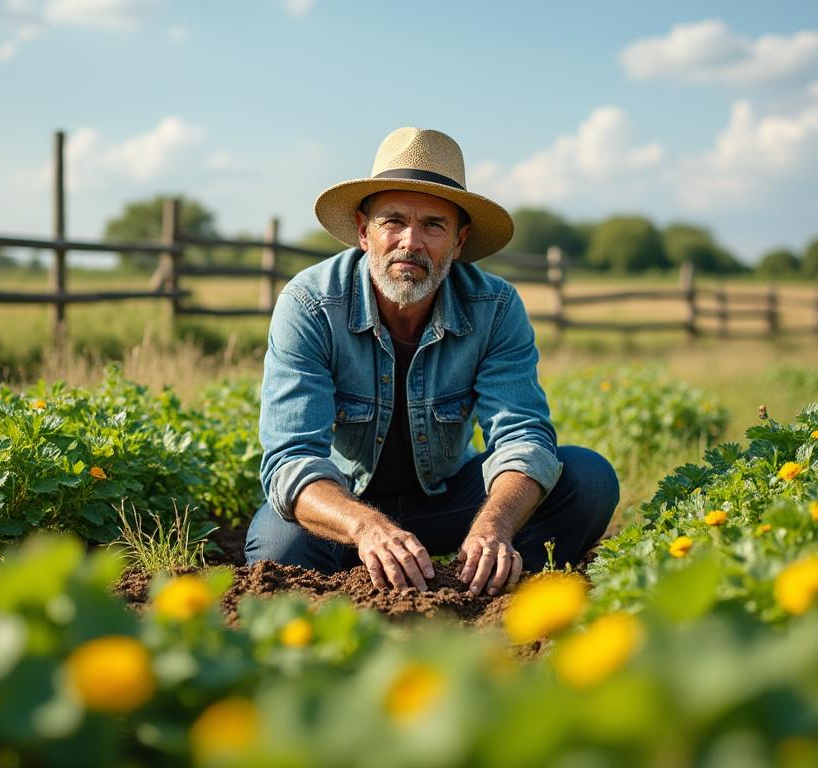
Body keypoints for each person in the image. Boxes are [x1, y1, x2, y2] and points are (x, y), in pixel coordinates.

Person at [246, 127, 618, 596]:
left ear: (459, 242)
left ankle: (486, 582)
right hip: (348, 506)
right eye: (393, 221)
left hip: (451, 503)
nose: (411, 242)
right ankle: (366, 585)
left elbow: (523, 436)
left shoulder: (495, 307)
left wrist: (494, 528)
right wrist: (367, 529)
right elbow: (291, 458)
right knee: (279, 547)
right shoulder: (311, 304)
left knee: (588, 480)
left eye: (433, 225)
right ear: (364, 231)